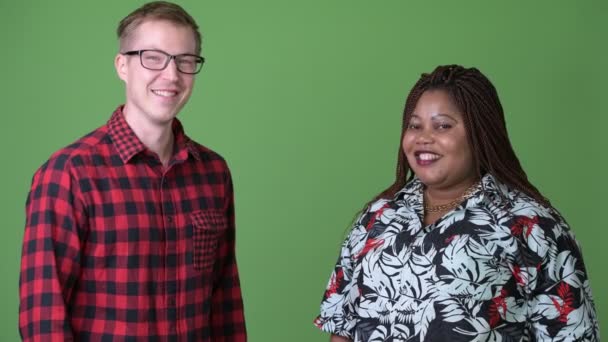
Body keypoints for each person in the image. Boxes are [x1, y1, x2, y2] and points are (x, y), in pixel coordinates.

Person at [314, 65, 599, 341]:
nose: (423, 138)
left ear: (479, 133)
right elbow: (343, 326)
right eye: (415, 125)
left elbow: (570, 332)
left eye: (442, 126)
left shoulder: (530, 226)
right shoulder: (378, 217)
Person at [18, 2, 246, 340]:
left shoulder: (213, 172)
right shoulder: (70, 174)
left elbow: (225, 299)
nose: (171, 75)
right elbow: (43, 318)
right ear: (122, 65)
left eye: (184, 61)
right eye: (153, 57)